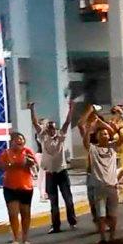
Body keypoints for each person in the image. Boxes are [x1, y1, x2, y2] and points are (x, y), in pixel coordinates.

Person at [29, 99, 77, 234]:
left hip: (61, 172)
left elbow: (67, 122)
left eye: (52, 127)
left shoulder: (61, 135)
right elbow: (34, 123)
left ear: (55, 129)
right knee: (53, 201)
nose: (50, 129)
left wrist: (71, 108)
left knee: (68, 199)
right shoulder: (43, 137)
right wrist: (32, 110)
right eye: (48, 127)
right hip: (50, 173)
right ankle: (55, 226)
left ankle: (72, 221)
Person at [80, 108, 123, 244]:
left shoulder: (112, 147)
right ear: (97, 137)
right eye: (101, 134)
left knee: (113, 214)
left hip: (112, 185)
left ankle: (112, 236)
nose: (104, 135)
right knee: (101, 214)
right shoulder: (93, 149)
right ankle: (102, 238)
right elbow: (86, 142)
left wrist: (115, 130)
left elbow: (121, 139)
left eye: (106, 134)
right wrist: (90, 128)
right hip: (98, 186)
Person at [0, 132, 39, 244]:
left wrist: (29, 163)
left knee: (25, 213)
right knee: (13, 213)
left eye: (22, 139)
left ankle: (25, 238)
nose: (20, 141)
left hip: (26, 187)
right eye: (17, 140)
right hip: (10, 187)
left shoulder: (28, 152)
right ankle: (16, 238)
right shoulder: (6, 153)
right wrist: (11, 165)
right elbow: (0, 166)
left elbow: (34, 164)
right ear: (12, 142)